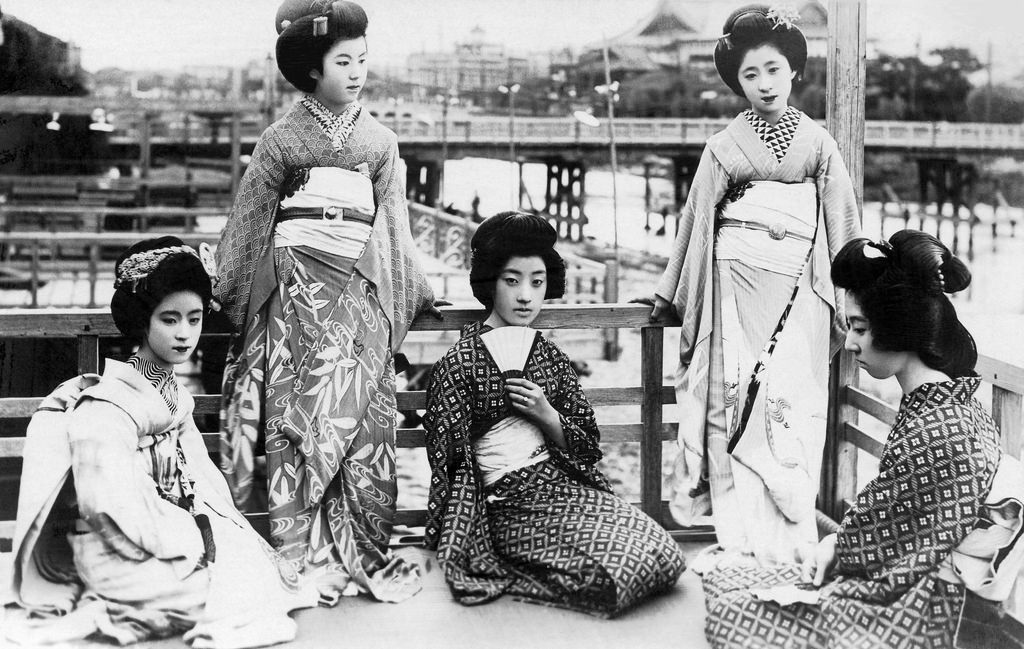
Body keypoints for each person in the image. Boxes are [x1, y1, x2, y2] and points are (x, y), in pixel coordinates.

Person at [215, 0, 436, 603]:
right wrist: (231, 289)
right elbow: (250, 224)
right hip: (294, 292)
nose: (357, 71)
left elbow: (394, 229)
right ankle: (298, 554)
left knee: (363, 422)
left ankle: (355, 551)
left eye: (363, 59)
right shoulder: (280, 141)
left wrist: (413, 291)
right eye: (344, 61)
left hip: (360, 291)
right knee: (293, 420)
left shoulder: (380, 142)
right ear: (312, 70)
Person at [7, 237, 318, 648]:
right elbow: (104, 505)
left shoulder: (173, 396)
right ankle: (118, 603)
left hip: (174, 533)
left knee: (255, 573)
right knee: (222, 592)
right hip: (116, 548)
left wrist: (211, 536)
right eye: (169, 320)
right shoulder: (106, 406)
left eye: (194, 319)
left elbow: (205, 483)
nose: (184, 334)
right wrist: (182, 547)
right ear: (143, 321)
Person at [702, 230, 1002, 649]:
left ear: (898, 328)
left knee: (729, 613)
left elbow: (890, 542)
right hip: (907, 573)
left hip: (920, 605)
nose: (851, 343)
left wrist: (838, 548)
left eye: (860, 328)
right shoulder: (950, 402)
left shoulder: (938, 428)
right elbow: (890, 526)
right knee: (727, 584)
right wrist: (839, 546)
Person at [645, 4, 861, 565]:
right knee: (729, 406)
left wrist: (850, 294)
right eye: (750, 74)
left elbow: (842, 226)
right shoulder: (723, 146)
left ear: (793, 70)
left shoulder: (819, 145)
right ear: (737, 82)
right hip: (732, 291)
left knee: (794, 410)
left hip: (800, 297)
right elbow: (695, 222)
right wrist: (671, 294)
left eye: (773, 69)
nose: (764, 84)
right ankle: (741, 544)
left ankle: (791, 544)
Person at [423, 211, 686, 617]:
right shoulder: (459, 364)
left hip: (560, 486)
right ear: (490, 283)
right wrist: (462, 530)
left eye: (537, 282)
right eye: (512, 281)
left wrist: (547, 415)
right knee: (611, 573)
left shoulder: (549, 357)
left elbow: (586, 446)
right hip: (502, 504)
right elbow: (448, 461)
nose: (526, 295)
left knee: (661, 551)